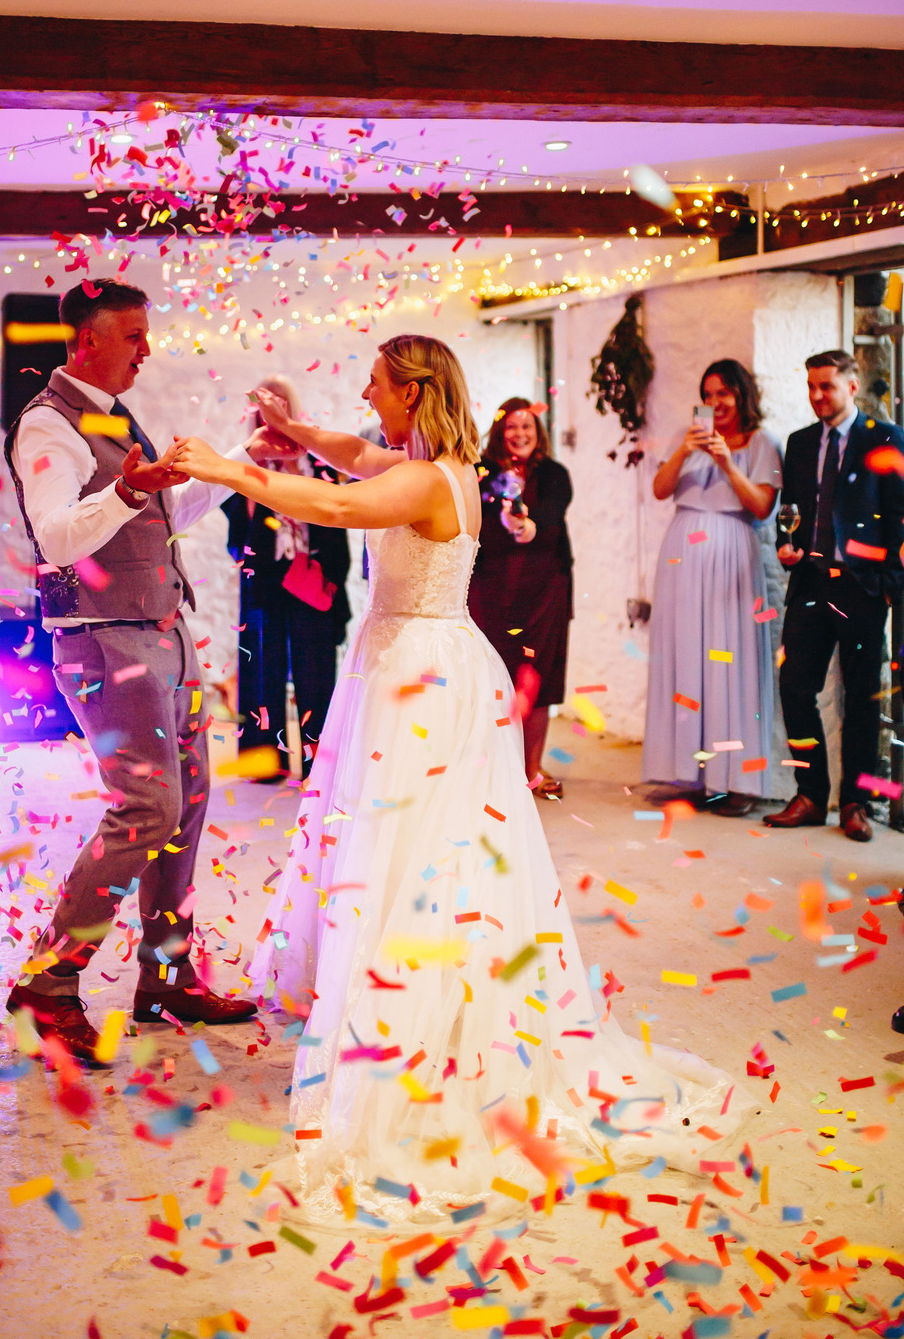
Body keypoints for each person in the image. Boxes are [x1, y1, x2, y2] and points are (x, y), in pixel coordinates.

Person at [173, 335, 748, 1226]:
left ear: (412, 392)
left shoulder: (427, 480)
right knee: (414, 847)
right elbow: (344, 452)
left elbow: (326, 496)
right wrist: (288, 426)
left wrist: (228, 467)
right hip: (419, 662)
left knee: (415, 854)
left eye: (376, 382)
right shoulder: (425, 462)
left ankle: (418, 1036)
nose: (365, 392)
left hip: (420, 681)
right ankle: (415, 1009)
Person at [0, 278, 283, 1064]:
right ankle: (47, 988)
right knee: (147, 807)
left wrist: (232, 462)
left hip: (165, 633)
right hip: (104, 642)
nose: (147, 349)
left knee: (188, 801)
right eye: (132, 335)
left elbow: (158, 514)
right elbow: (58, 537)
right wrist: (126, 488)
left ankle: (165, 976)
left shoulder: (113, 418)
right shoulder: (47, 425)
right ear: (86, 340)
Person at [765, 350, 904, 841]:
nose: (818, 396)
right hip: (809, 584)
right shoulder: (800, 443)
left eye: (827, 386)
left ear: (852, 383)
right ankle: (810, 793)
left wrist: (888, 587)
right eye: (811, 387)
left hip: (863, 591)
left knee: (862, 699)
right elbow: (793, 511)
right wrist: (789, 549)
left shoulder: (886, 439)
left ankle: (856, 803)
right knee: (796, 689)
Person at [642, 359, 782, 816]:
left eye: (725, 393)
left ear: (742, 396)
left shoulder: (762, 443)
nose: (717, 402)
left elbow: (761, 506)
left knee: (729, 660)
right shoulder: (691, 441)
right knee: (686, 659)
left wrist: (726, 462)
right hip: (683, 556)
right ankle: (690, 772)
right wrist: (684, 450)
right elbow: (661, 490)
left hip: (730, 557)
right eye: (709, 393)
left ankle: (736, 779)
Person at [225, 375, 351, 779]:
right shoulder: (244, 467)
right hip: (265, 581)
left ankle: (319, 765)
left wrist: (331, 577)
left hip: (313, 578)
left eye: (280, 405)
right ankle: (266, 760)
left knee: (317, 675)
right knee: (263, 671)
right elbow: (235, 542)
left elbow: (338, 527)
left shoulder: (319, 466)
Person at [468, 397, 572, 799]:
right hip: (491, 589)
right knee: (493, 678)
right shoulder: (480, 472)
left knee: (539, 678)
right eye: (512, 426)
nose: (520, 433)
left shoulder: (555, 473)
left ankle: (532, 768)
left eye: (527, 426)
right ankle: (492, 766)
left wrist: (526, 523)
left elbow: (552, 514)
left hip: (545, 590)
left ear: (538, 432)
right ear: (499, 431)